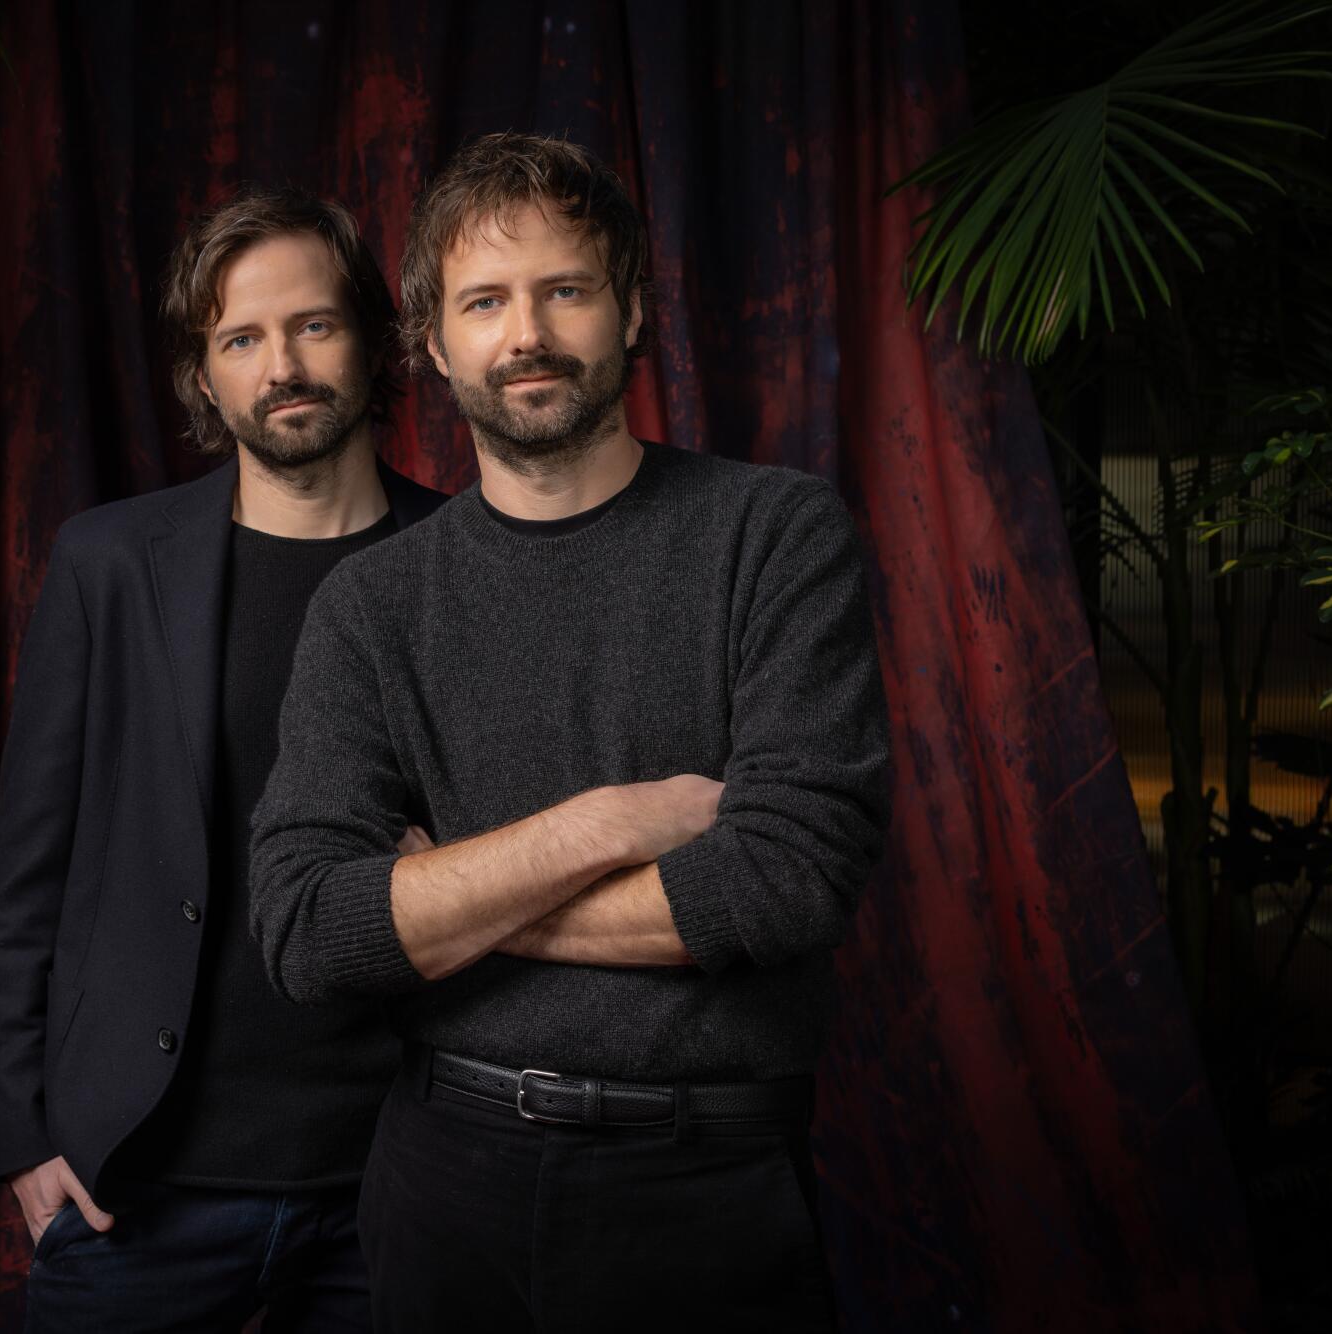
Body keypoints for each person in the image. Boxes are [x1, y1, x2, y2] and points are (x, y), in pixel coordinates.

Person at [248, 132, 891, 1332]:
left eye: (564, 289)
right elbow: (308, 929)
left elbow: (783, 882)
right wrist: (598, 826)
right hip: (442, 1179)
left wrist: (439, 898)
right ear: (432, 342)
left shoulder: (772, 534)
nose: (526, 333)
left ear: (630, 309)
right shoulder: (373, 604)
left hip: (706, 1185)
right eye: (483, 301)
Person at [0, 185, 446, 1332]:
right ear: (203, 373)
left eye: (313, 324)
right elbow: (28, 874)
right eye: (241, 338)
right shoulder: (108, 565)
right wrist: (24, 1134)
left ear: (372, 338)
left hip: (394, 1178)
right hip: (139, 1188)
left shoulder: (460, 560)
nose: (281, 365)